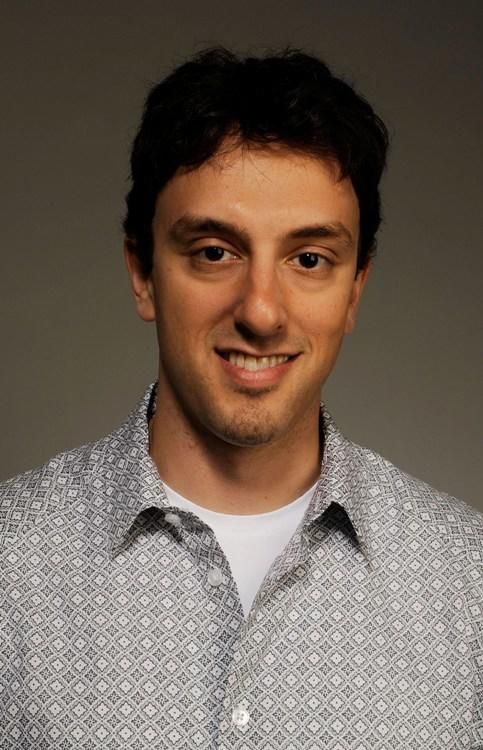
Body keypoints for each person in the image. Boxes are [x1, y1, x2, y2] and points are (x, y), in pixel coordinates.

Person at [1, 47, 482, 750]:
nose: (260, 311)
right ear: (142, 272)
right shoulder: (10, 564)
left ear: (355, 290)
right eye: (214, 252)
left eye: (309, 259)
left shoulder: (468, 583)